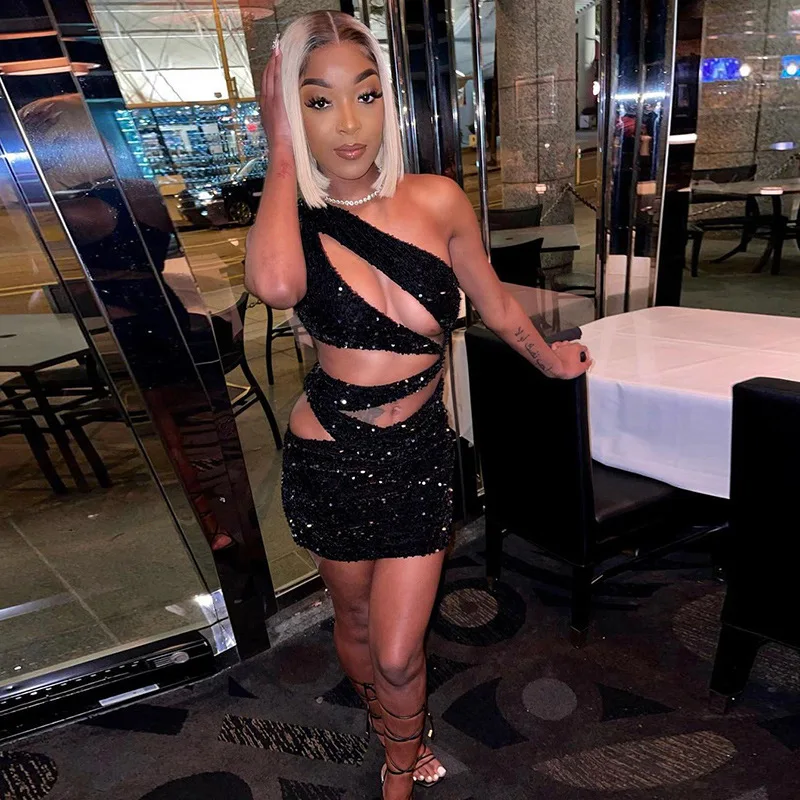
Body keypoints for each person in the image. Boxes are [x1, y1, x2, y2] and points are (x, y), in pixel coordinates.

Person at [245, 12, 591, 799]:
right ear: (291, 113)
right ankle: (391, 731)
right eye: (318, 101)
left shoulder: (436, 199)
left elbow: (495, 305)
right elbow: (275, 286)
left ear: (388, 102)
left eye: (365, 95)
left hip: (417, 454)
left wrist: (552, 362)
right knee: (356, 623)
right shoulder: (292, 219)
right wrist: (279, 153)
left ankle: (399, 768)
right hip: (331, 456)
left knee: (399, 651)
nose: (349, 123)